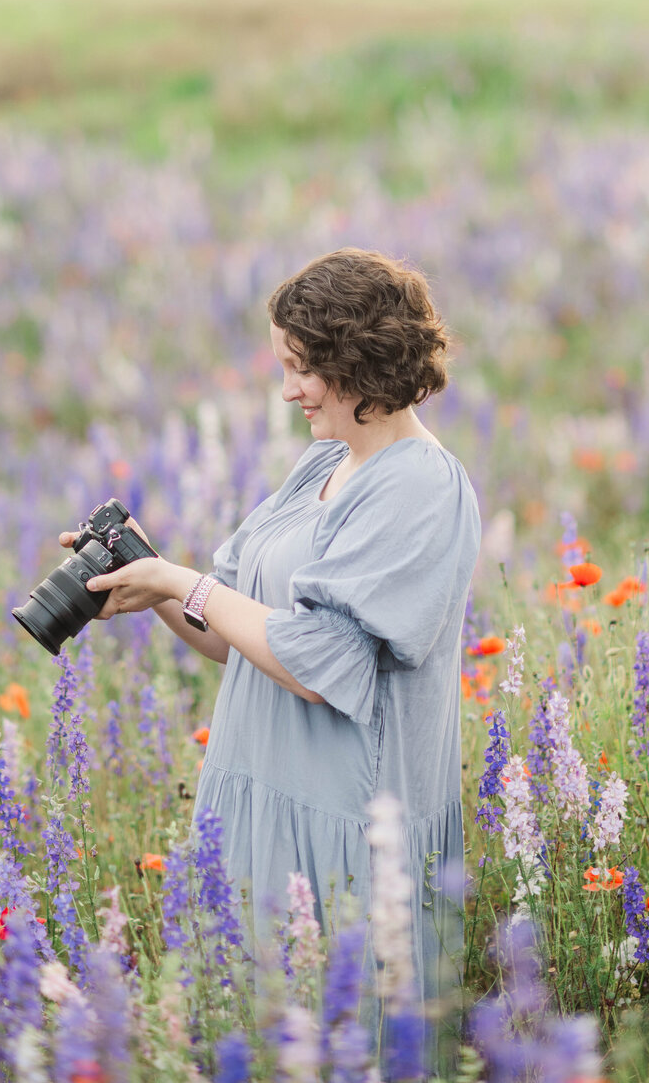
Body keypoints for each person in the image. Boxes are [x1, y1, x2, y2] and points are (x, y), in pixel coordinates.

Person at [64, 246, 481, 1025]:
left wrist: (185, 584)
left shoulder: (423, 485)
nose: (287, 391)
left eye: (302, 368)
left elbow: (318, 662)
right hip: (255, 800)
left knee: (336, 1043)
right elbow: (235, 634)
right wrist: (148, 576)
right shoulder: (323, 464)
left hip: (342, 825)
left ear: (357, 359)